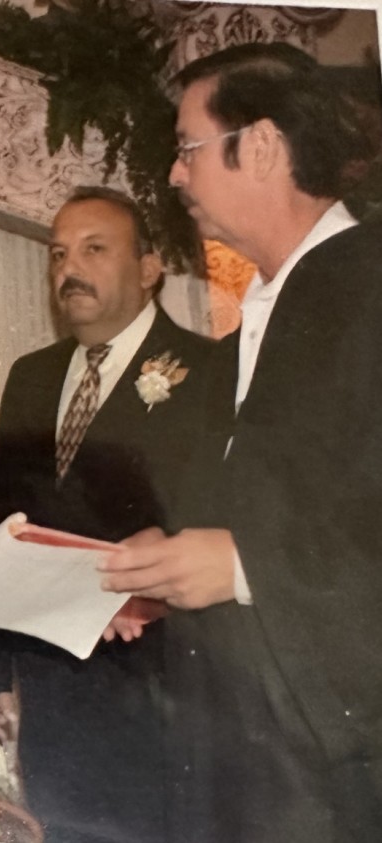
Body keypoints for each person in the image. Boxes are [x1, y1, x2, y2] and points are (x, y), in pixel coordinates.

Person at [99, 43, 382, 840]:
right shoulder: (238, 337)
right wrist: (163, 563)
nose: (173, 175)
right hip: (234, 753)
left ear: (259, 146)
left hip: (342, 766)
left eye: (187, 148)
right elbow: (260, 507)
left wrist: (243, 565)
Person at [0, 186, 214, 842]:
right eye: (57, 254)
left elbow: (218, 522)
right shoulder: (32, 376)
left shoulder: (210, 371)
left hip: (166, 696)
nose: (69, 269)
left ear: (149, 268)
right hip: (53, 694)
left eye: (94, 249)